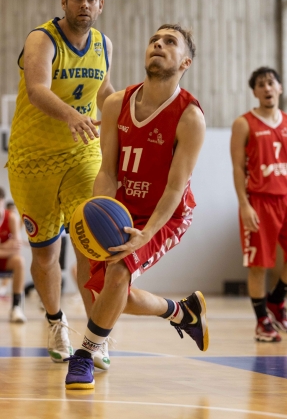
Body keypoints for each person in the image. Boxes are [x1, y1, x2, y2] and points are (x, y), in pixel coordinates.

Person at [64, 23, 208, 390]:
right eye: (154, 40)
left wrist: (146, 232)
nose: (158, 44)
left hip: (164, 213)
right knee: (103, 289)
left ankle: (86, 354)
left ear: (185, 61)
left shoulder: (190, 116)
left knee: (118, 272)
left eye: (169, 42)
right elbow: (107, 171)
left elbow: (175, 189)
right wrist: (99, 209)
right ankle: (180, 311)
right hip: (122, 205)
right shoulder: (115, 103)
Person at [7, 0, 114, 365]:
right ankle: (55, 321)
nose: (84, 5)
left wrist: (127, 113)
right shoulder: (42, 39)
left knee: (91, 241)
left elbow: (103, 91)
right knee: (46, 252)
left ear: (101, 5)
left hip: (81, 154)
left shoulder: (104, 45)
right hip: (31, 161)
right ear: (63, 3)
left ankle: (95, 337)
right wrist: (71, 114)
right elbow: (37, 89)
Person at [230, 66, 287, 343]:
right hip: (259, 201)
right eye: (261, 84)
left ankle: (277, 301)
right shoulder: (244, 123)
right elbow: (237, 167)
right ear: (255, 92)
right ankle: (262, 322)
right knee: (259, 265)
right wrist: (244, 205)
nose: (267, 88)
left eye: (271, 83)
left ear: (280, 88)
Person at [0, 187, 27, 322]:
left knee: (19, 261)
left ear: (2, 201)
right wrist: (5, 246)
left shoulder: (11, 217)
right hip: (5, 255)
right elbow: (11, 246)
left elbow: (17, 248)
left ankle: (16, 307)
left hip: (6, 260)